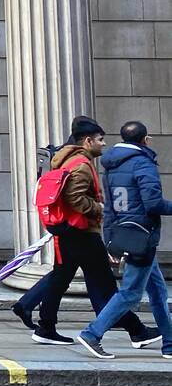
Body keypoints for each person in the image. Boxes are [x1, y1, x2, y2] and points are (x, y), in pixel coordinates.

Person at [32, 118, 160, 349]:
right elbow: (75, 198)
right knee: (105, 283)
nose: (103, 144)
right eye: (100, 140)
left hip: (70, 230)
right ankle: (134, 331)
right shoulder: (81, 163)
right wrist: (101, 208)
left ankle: (46, 327)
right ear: (88, 140)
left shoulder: (66, 160)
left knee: (60, 279)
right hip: (82, 231)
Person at [76, 122, 172, 359]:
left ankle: (169, 343)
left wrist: (109, 240)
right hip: (143, 236)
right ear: (145, 140)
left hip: (125, 233)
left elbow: (109, 208)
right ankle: (92, 333)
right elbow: (153, 204)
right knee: (130, 293)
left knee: (158, 292)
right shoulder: (143, 164)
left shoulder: (111, 165)